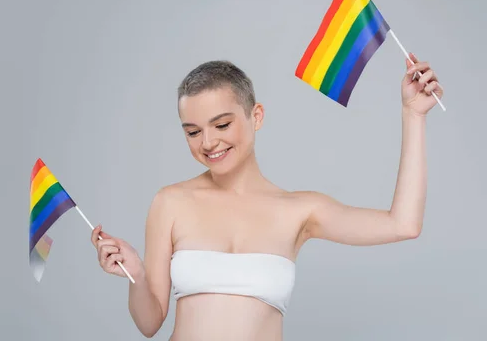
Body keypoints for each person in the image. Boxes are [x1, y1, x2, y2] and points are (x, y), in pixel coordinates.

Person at [90, 55, 443, 340]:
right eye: (194, 132)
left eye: (222, 125)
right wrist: (135, 272)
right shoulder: (170, 203)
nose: (208, 142)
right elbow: (150, 323)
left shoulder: (300, 210)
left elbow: (403, 224)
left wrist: (413, 115)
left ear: (255, 116)